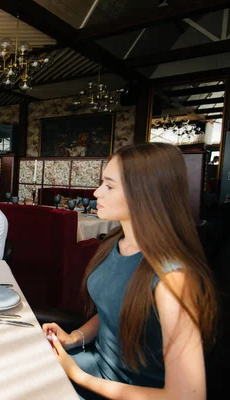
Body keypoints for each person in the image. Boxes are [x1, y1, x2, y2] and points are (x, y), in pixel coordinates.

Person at [42, 142, 217, 399]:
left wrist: (80, 376)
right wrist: (75, 337)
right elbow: (115, 310)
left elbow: (188, 395)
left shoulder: (173, 278)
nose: (97, 192)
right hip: (92, 366)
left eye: (109, 186)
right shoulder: (116, 242)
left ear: (146, 193)